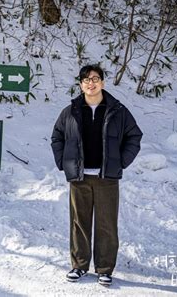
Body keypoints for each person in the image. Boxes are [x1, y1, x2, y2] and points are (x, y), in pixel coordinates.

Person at [51, 64, 142, 286]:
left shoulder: (117, 110)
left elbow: (134, 136)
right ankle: (79, 265)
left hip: (106, 179)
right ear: (80, 84)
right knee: (79, 223)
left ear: (102, 82)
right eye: (85, 80)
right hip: (80, 178)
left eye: (95, 79)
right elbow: (57, 137)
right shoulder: (71, 111)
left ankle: (104, 269)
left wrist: (120, 162)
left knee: (106, 224)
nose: (90, 83)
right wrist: (65, 163)